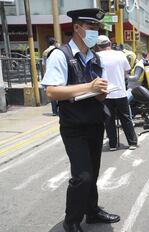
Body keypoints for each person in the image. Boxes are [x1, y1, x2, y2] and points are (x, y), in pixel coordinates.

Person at [40, 8, 120, 232]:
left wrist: (102, 91)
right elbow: (52, 92)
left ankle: (92, 211)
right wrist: (90, 86)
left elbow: (96, 89)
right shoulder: (60, 55)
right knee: (82, 176)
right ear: (76, 27)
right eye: (90, 27)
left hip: (95, 122)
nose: (94, 32)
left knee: (92, 173)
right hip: (74, 126)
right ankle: (72, 220)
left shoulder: (94, 57)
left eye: (97, 28)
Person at [95, 35, 137, 151]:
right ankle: (132, 142)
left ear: (98, 46)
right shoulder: (120, 54)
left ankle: (113, 144)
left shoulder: (97, 56)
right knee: (126, 118)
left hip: (105, 93)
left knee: (109, 120)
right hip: (120, 92)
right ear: (110, 43)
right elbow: (127, 70)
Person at [42, 37, 59, 116]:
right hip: (57, 73)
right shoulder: (58, 50)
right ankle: (60, 109)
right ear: (55, 42)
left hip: (49, 74)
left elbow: (43, 65)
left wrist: (45, 74)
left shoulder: (45, 52)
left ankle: (54, 111)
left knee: (52, 94)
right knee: (59, 92)